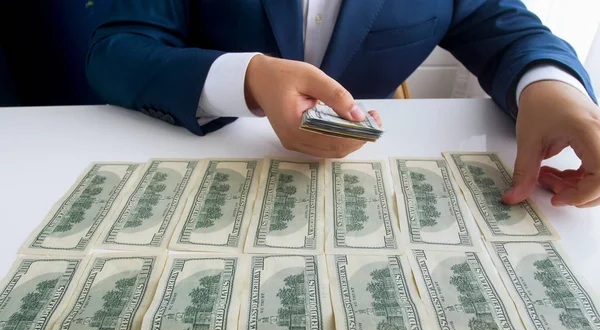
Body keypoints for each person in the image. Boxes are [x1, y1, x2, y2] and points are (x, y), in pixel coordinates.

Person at [87, 0, 600, 208]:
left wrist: (550, 85)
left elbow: (508, 32)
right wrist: (244, 78)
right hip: (198, 165)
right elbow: (116, 50)